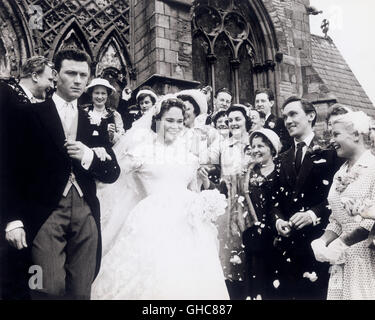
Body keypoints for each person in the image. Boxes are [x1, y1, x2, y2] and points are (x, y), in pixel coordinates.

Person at [3, 48, 121, 300]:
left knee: (81, 290)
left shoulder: (94, 123)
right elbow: (8, 169)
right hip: (43, 213)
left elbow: (113, 173)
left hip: (86, 212)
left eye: (83, 75)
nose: (78, 80)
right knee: (45, 286)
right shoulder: (29, 114)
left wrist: (88, 156)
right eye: (71, 73)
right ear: (56, 75)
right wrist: (12, 219)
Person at [91, 97, 229, 299]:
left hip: (188, 226)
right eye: (169, 120)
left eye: (180, 121)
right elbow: (111, 178)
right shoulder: (140, 152)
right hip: (152, 221)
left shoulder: (190, 157)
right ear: (157, 120)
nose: (175, 126)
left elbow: (194, 192)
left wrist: (205, 192)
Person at [270, 96, 341, 300]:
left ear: (310, 116)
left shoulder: (330, 153)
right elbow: (274, 201)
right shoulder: (281, 158)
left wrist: (313, 214)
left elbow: (339, 197)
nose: (288, 120)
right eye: (285, 117)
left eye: (293, 114)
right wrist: (278, 221)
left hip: (319, 242)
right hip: (288, 246)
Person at [0, 56, 54, 300]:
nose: (52, 84)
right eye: (49, 78)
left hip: (33, 207)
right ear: (34, 75)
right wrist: (11, 218)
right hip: (10, 205)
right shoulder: (5, 95)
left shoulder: (43, 104)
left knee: (30, 275)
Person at [311, 111, 375, 300]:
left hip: (366, 257)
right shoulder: (340, 172)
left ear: (356, 134)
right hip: (341, 261)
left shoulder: (373, 169)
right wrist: (322, 241)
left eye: (336, 134)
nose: (331, 140)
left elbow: (372, 221)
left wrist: (342, 243)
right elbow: (336, 219)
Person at [213, 104, 252, 300]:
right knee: (229, 249)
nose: (234, 123)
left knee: (248, 247)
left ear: (246, 120)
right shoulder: (222, 145)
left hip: (250, 202)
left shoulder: (254, 142)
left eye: (238, 119)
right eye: (230, 121)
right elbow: (211, 168)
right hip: (227, 202)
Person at [241, 129, 282, 300]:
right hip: (254, 234)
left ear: (272, 149)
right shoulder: (248, 173)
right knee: (256, 280)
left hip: (276, 234)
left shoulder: (281, 171)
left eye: (261, 146)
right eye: (253, 146)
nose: (256, 150)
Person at [85, 78, 125, 146]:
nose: (100, 97)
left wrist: (112, 135)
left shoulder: (114, 115)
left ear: (107, 95)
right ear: (91, 94)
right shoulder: (84, 113)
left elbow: (122, 141)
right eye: (97, 93)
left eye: (103, 93)